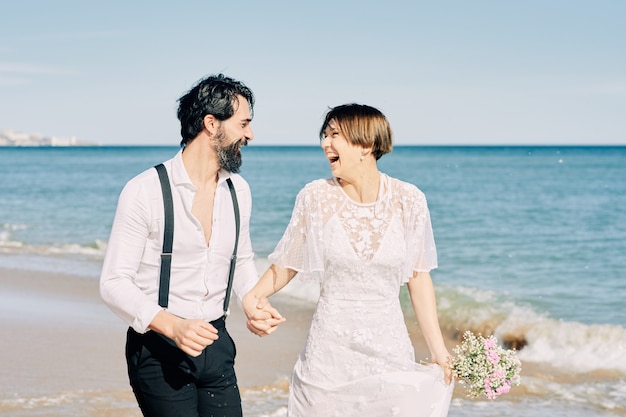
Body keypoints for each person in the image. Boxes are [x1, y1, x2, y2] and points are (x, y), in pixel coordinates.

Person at [243, 104, 454, 416]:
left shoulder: (410, 200)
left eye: (334, 135)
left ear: (365, 145)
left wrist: (439, 351)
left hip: (389, 349)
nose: (325, 143)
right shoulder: (314, 197)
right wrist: (254, 296)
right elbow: (288, 262)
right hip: (329, 352)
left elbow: (419, 278)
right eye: (324, 135)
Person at [100, 73, 282, 417]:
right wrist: (173, 326)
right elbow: (113, 283)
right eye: (243, 124)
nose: (250, 135)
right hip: (159, 349)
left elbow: (240, 261)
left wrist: (252, 301)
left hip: (217, 346)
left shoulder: (238, 191)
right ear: (211, 124)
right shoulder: (144, 191)